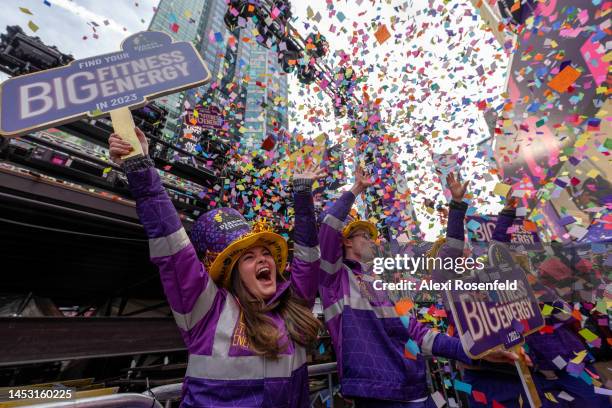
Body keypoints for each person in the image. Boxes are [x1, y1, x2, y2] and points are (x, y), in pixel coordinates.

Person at [109, 128, 324, 407]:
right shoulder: (206, 310)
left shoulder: (293, 305)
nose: (262, 260)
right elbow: (173, 246)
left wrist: (303, 193)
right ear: (232, 271)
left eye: (265, 253)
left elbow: (308, 258)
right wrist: (140, 167)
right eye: (248, 257)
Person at [317, 167, 519, 407]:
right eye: (365, 237)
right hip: (378, 392)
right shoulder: (335, 279)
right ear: (346, 241)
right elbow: (328, 230)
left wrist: (475, 350)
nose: (374, 241)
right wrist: (357, 189)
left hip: (415, 390)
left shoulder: (381, 285)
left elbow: (418, 333)